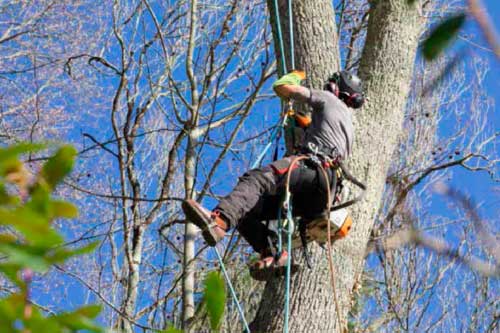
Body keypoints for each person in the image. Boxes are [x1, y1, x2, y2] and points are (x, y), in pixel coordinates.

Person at [182, 70, 364, 279]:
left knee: (258, 179)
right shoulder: (346, 124)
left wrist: (297, 75)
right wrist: (300, 122)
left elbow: (282, 87)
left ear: (335, 89)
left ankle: (219, 221)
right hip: (322, 194)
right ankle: (274, 254)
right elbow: (318, 132)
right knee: (246, 209)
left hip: (314, 168)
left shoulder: (329, 99)